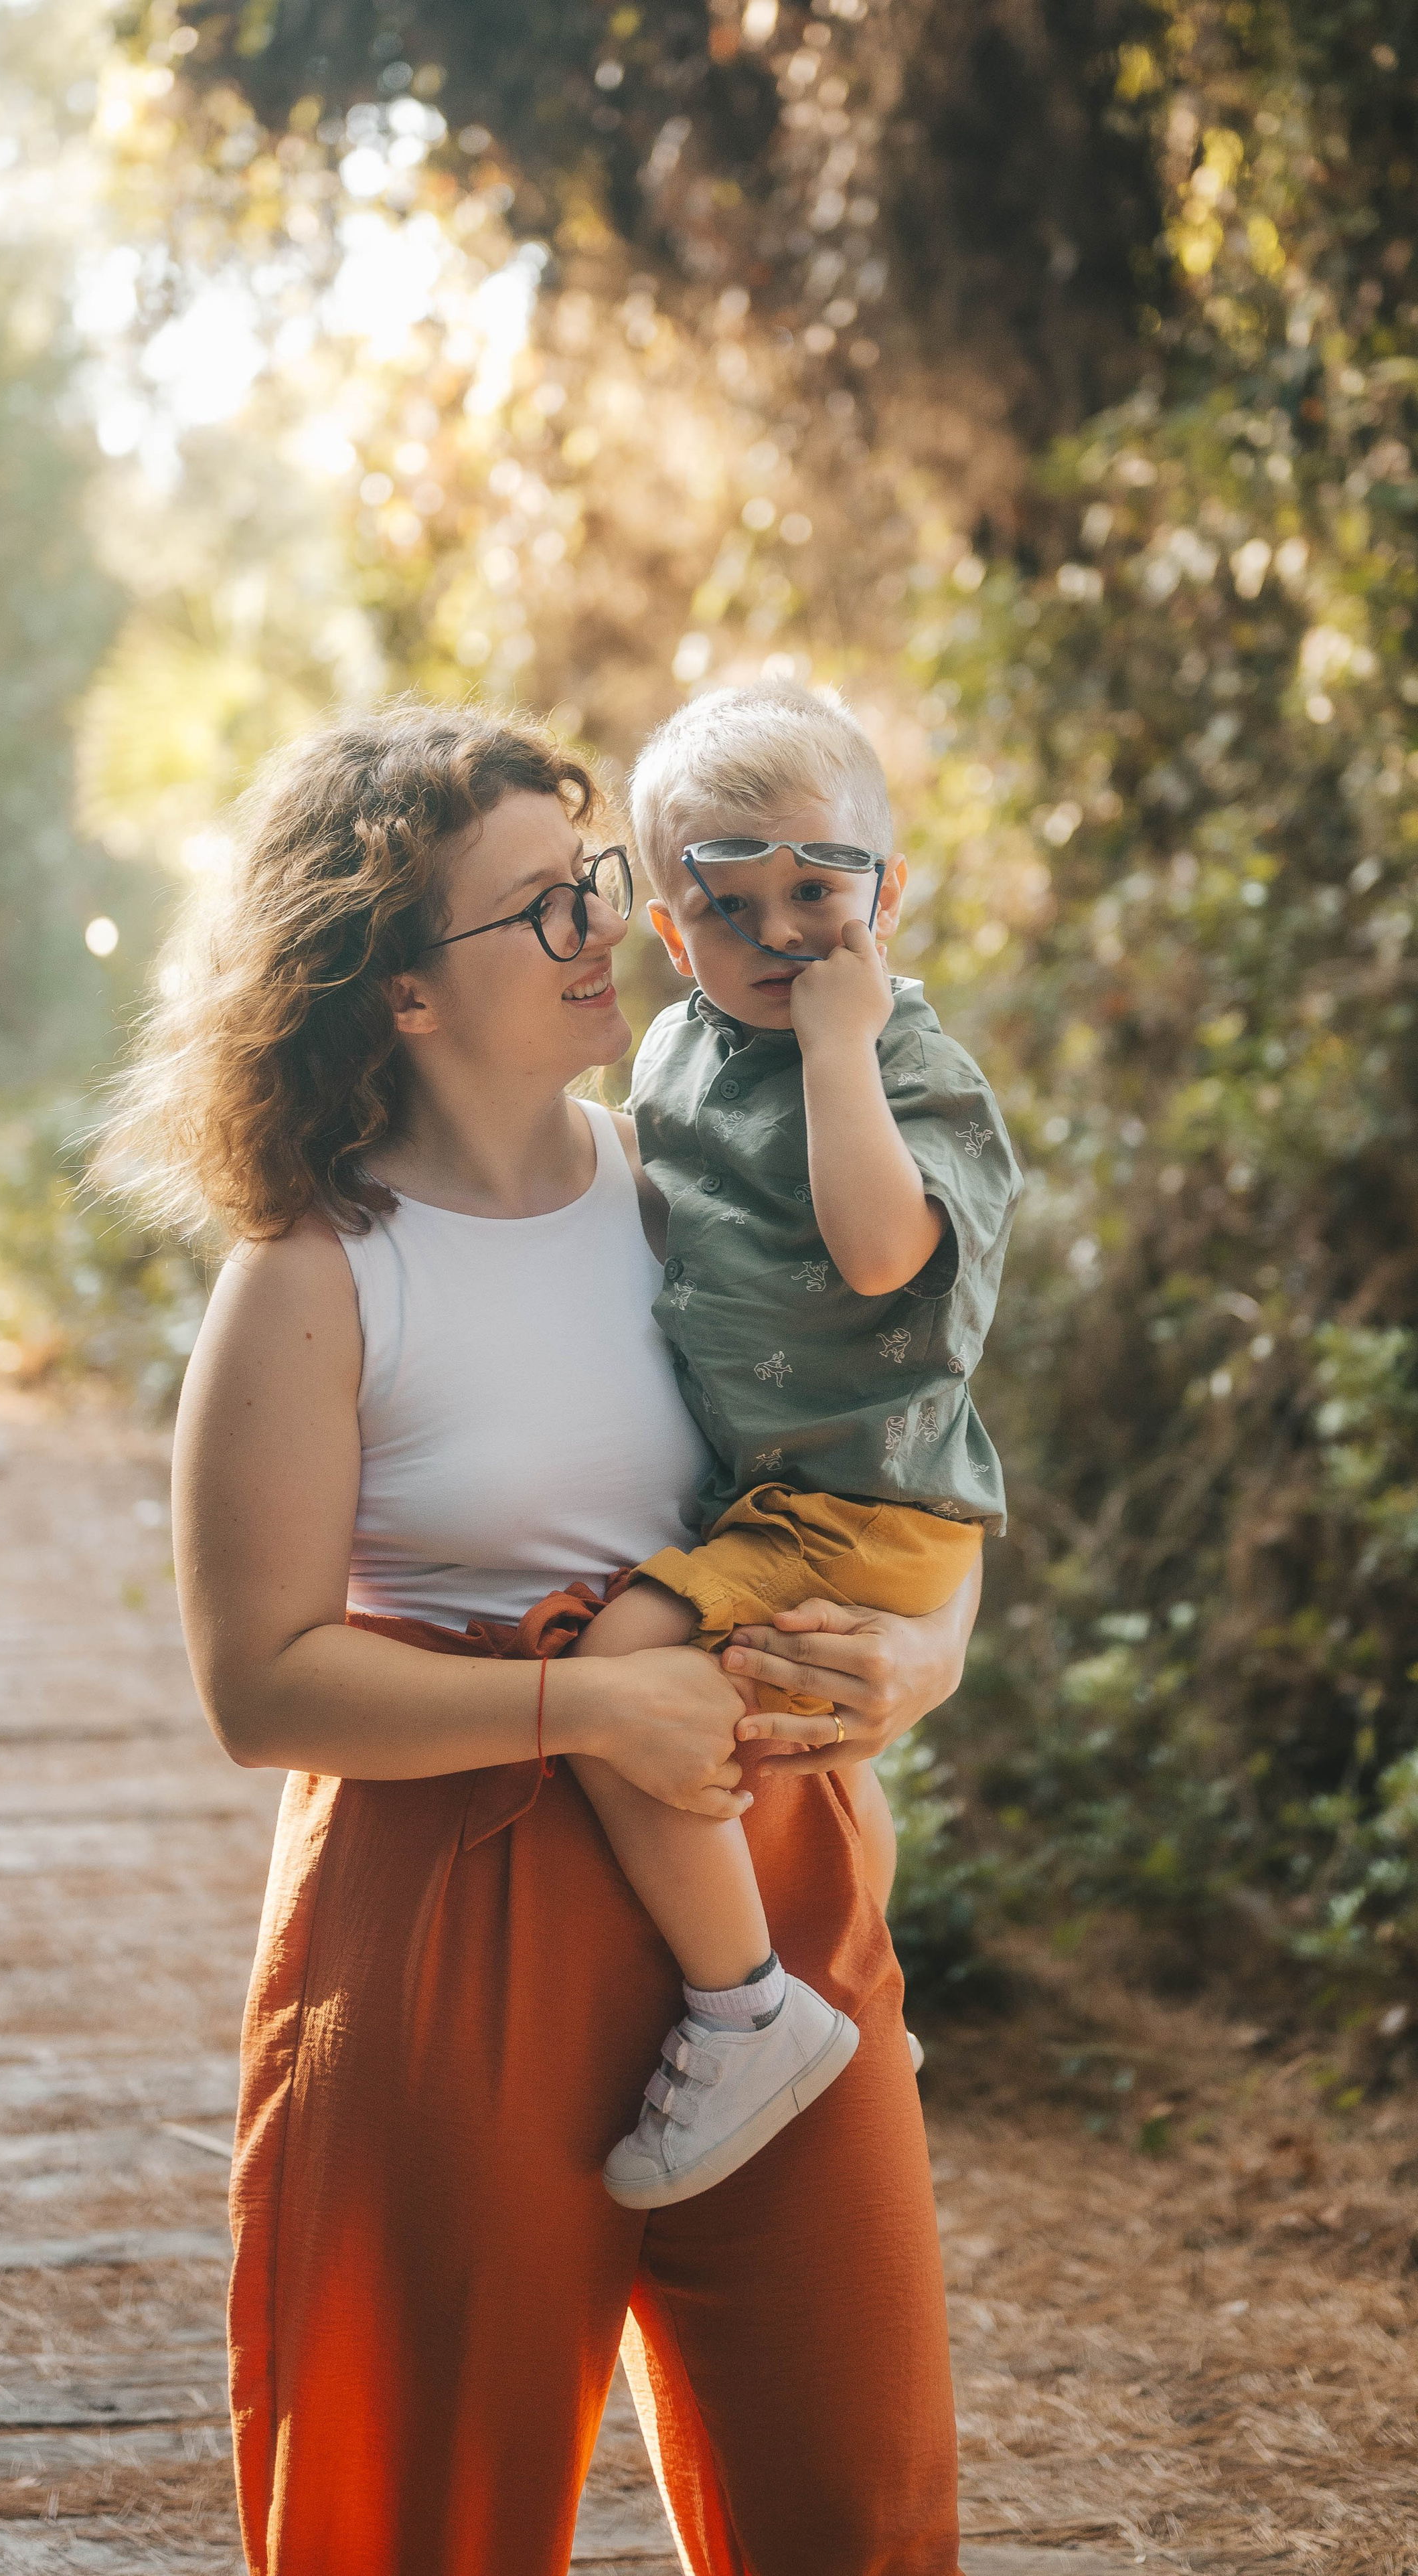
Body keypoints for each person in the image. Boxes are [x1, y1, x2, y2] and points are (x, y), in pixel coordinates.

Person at [112, 700, 979, 2576]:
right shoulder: (315, 1275)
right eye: (540, 908)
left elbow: (901, 1428)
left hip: (775, 1880)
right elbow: (258, 1688)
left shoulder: (699, 1165)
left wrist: (938, 1650)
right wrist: (587, 1708)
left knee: (858, 2493)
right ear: (405, 990)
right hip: (453, 1911)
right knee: (417, 2507)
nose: (607, 924)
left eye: (589, 880)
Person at [567, 685, 1021, 2210]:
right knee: (800, 1755)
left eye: (814, 894)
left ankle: (747, 2008)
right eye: (729, 904)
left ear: (885, 898)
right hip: (774, 1490)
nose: (778, 937)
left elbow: (881, 1249)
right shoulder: (677, 1059)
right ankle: (852, 1998)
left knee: (624, 1662)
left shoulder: (910, 1069)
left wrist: (841, 1051)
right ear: (667, 931)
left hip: (864, 1494)